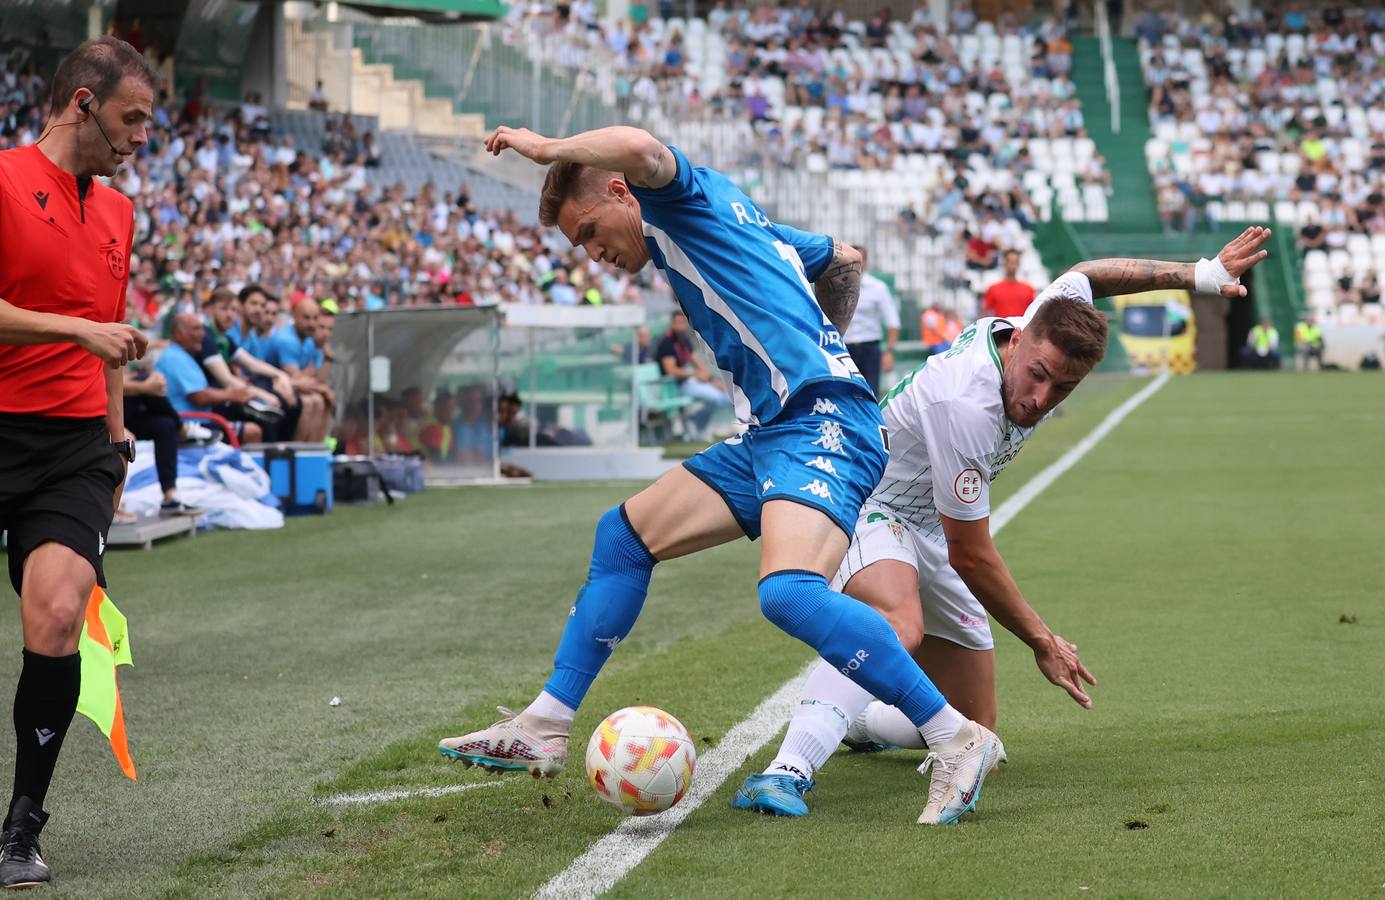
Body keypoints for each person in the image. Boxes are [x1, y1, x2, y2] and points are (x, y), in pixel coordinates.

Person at [438, 124, 998, 826]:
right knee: (623, 535)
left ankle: (954, 736)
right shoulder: (732, 218)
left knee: (787, 594)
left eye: (588, 231)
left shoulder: (675, 200)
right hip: (774, 432)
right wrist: (809, 341)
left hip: (822, 424)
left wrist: (548, 148)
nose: (592, 254)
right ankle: (543, 724)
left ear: (620, 192)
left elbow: (643, 147)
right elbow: (842, 259)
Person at [737, 228, 1274, 817]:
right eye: (1038, 374)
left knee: (973, 731)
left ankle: (858, 718)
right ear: (1018, 339)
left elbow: (1090, 274)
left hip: (929, 521)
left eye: (1063, 386)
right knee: (898, 622)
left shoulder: (1047, 315)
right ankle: (785, 772)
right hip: (869, 497)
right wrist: (1042, 641)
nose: (1042, 397)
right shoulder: (968, 405)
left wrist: (1195, 275)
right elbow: (972, 554)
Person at [0, 36, 155, 888]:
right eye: (132, 118)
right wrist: (75, 330)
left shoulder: (121, 213)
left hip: (72, 449)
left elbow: (114, 339)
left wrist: (117, 435)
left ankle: (21, 828)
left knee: (58, 617)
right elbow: (86, 328)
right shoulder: (2, 180)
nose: (140, 137)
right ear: (83, 103)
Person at [155, 313, 263, 444]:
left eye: (202, 329)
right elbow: (199, 397)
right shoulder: (175, 357)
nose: (202, 334)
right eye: (196, 329)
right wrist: (230, 395)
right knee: (252, 432)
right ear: (178, 334)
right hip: (190, 425)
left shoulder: (182, 355)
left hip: (201, 420)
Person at [263, 298, 332, 441]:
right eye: (306, 318)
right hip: (270, 388)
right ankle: (297, 455)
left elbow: (316, 378)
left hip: (289, 386)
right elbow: (300, 381)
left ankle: (315, 453)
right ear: (294, 316)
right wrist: (320, 387)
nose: (312, 323)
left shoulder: (309, 341)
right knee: (309, 402)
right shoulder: (286, 340)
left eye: (315, 318)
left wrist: (327, 358)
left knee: (320, 401)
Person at [656, 311, 731, 440]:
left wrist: (713, 380)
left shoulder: (684, 341)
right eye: (677, 322)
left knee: (726, 396)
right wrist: (695, 374)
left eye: (682, 322)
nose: (680, 325)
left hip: (691, 382)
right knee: (716, 398)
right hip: (676, 386)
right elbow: (671, 370)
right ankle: (697, 424)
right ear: (671, 323)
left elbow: (699, 365)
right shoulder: (666, 343)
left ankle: (695, 422)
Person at [841, 245, 900, 397]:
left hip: (870, 348)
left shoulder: (878, 288)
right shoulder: (836, 286)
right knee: (845, 395)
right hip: (845, 349)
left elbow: (892, 322)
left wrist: (889, 352)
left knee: (871, 394)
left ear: (866, 262)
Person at [981, 249, 1037, 319]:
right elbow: (984, 312)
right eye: (1010, 262)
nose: (1012, 265)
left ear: (1019, 264)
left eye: (1015, 262)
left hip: (1022, 328)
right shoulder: (993, 289)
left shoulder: (1029, 289)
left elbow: (1034, 313)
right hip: (1001, 328)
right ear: (1005, 263)